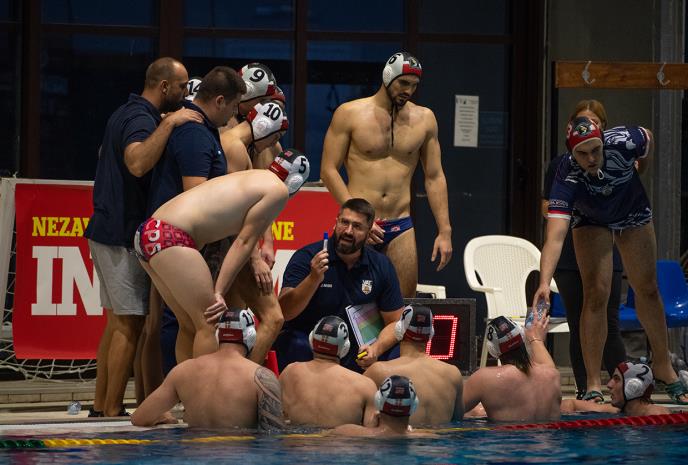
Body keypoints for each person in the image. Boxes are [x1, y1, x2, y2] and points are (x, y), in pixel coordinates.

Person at [533, 116, 688, 405]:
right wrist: (544, 282)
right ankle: (593, 382)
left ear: (603, 140)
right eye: (583, 153)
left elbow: (649, 137)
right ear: (571, 152)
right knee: (595, 294)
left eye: (596, 150)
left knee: (647, 288)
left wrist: (640, 170)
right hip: (590, 219)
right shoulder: (566, 174)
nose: (591, 158)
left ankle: (663, 366)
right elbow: (554, 237)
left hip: (631, 210)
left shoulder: (625, 142)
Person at [85, 57, 203, 417]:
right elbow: (136, 162)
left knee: (117, 322)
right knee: (130, 322)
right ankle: (112, 409)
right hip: (120, 232)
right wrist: (170, 124)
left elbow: (106, 154)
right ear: (164, 86)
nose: (184, 94)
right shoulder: (140, 119)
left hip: (106, 228)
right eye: (181, 87)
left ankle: (101, 406)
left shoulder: (126, 112)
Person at [135, 150, 310, 364]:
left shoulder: (253, 175)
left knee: (189, 324)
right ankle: (205, 387)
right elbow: (243, 243)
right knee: (210, 323)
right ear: (295, 182)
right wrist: (219, 291)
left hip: (147, 232)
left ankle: (187, 385)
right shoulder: (278, 190)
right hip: (172, 236)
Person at [320, 52, 452, 297]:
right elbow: (328, 170)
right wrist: (358, 217)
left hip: (400, 223)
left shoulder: (425, 119)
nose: (408, 91)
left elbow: (434, 177)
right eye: (403, 83)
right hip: (358, 224)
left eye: (414, 85)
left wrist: (445, 231)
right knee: (348, 302)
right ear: (387, 77)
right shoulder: (349, 113)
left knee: (404, 305)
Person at [542, 100, 626, 401]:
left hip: (607, 250)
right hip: (570, 253)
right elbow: (548, 209)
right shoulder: (561, 166)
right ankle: (586, 389)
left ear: (603, 129)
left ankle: (626, 386)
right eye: (579, 123)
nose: (585, 129)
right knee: (580, 322)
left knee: (609, 322)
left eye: (593, 123)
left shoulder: (618, 160)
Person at [275, 198, 405, 372]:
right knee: (290, 341)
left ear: (369, 232)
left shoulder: (381, 265)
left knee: (397, 350)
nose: (348, 231)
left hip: (356, 351)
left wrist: (376, 348)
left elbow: (396, 322)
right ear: (335, 222)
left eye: (357, 226)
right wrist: (313, 279)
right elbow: (285, 312)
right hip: (309, 349)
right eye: (344, 222)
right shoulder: (307, 257)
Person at [131, 308, 285, 429]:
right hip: (239, 453)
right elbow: (273, 435)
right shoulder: (261, 377)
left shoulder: (182, 371)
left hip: (193, 453)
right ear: (251, 336)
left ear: (218, 334)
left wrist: (163, 416)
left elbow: (139, 418)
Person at [363, 305, 464, 425]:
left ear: (399, 329)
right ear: (431, 333)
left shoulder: (379, 371)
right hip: (441, 436)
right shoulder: (453, 374)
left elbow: (361, 416)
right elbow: (458, 420)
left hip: (398, 436)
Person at [279, 316, 378, 427]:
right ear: (345, 347)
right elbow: (373, 431)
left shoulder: (288, 372)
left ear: (311, 340)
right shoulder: (365, 386)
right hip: (339, 437)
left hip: (292, 437)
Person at [462, 314, 561, 422]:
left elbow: (453, 412)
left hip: (507, 432)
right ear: (522, 337)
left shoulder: (483, 379)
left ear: (493, 351)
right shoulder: (552, 375)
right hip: (550, 431)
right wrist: (535, 338)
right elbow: (543, 355)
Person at [328, 375, 436, 437]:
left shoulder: (345, 431)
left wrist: (369, 429)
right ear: (414, 405)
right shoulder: (428, 436)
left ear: (378, 401)